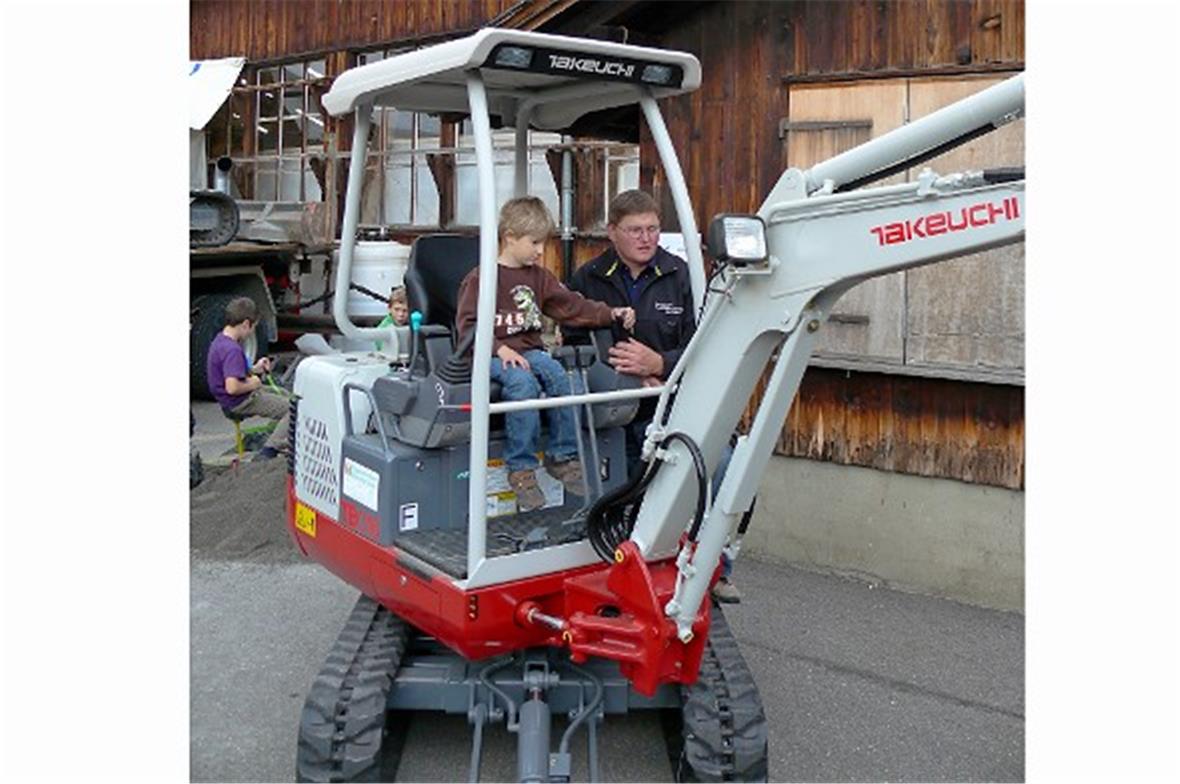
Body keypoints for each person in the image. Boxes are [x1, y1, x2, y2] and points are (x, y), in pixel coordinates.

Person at [568, 189, 742, 602]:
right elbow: (572, 350)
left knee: (719, 467)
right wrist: (624, 378)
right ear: (612, 232)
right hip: (613, 413)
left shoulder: (683, 275)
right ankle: (624, 578)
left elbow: (706, 344)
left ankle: (710, 568)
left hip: (672, 407)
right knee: (624, 498)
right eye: (635, 231)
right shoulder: (587, 280)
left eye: (652, 229)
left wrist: (660, 365)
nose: (646, 239)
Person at [455, 196, 635, 513]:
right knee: (522, 383)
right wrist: (500, 348)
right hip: (489, 355)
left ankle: (561, 455)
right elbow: (467, 328)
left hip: (529, 351)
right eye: (535, 242)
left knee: (558, 375)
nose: (540, 251)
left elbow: (571, 305)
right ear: (510, 237)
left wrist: (611, 313)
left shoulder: (538, 277)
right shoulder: (481, 279)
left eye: (544, 242)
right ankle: (520, 468)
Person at [206, 296, 290, 461]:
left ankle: (278, 438)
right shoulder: (232, 350)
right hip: (240, 402)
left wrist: (254, 369)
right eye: (253, 328)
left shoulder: (220, 341)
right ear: (245, 324)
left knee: (284, 394)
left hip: (233, 399)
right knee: (293, 409)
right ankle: (270, 450)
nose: (252, 332)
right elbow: (232, 387)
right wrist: (254, 383)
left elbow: (230, 372)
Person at [374, 285, 409, 352]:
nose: (400, 314)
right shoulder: (384, 328)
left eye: (405, 310)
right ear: (389, 308)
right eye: (396, 309)